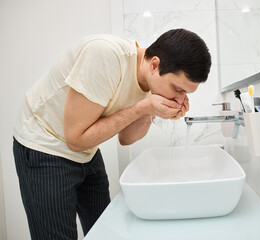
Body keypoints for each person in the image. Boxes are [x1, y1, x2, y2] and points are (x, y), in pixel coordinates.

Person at [13, 28, 211, 239]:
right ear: (154, 64)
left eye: (186, 94)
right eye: (178, 89)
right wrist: (143, 108)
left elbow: (126, 139)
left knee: (103, 231)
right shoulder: (103, 57)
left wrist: (151, 110)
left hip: (85, 149)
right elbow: (75, 139)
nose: (180, 99)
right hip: (45, 144)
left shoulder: (149, 81)